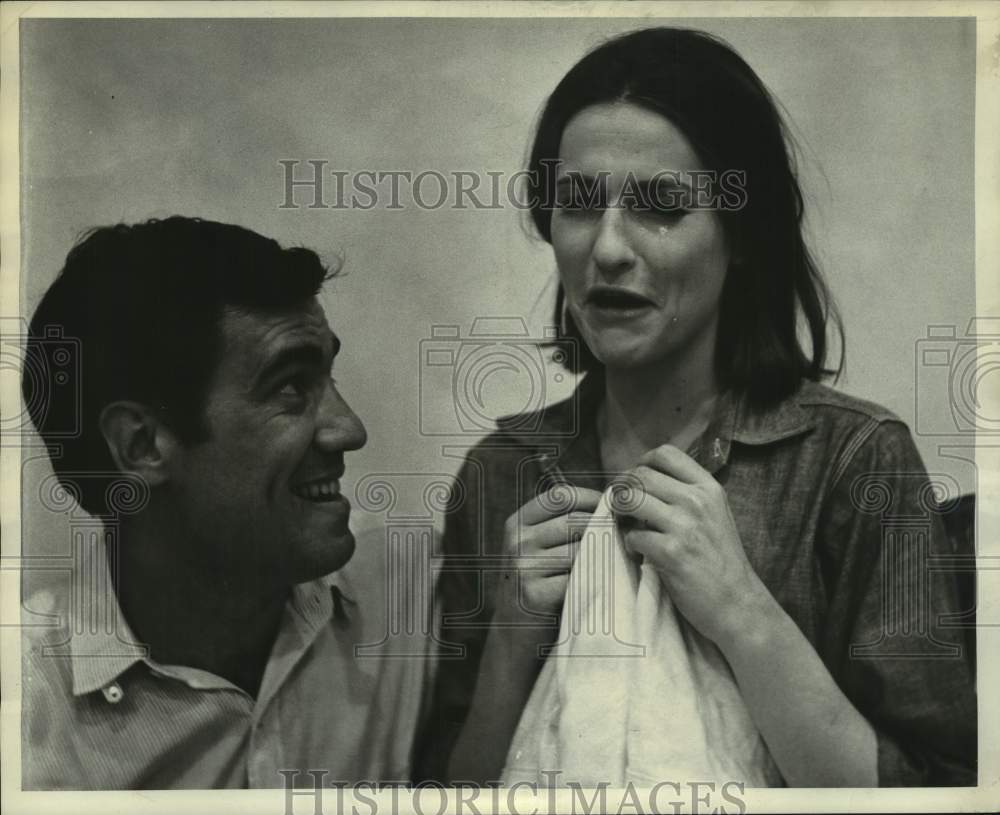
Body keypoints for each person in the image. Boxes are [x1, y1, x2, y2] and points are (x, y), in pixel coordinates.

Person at [418, 27, 976, 787]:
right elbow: (442, 793)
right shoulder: (498, 474)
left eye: (660, 207)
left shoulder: (852, 460)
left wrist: (742, 610)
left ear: (741, 232)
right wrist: (510, 644)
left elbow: (938, 791)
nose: (608, 249)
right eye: (578, 204)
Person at [20, 216, 429, 789]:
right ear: (141, 445)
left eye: (328, 377)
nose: (349, 429)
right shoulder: (26, 716)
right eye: (290, 387)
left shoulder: (414, 585)